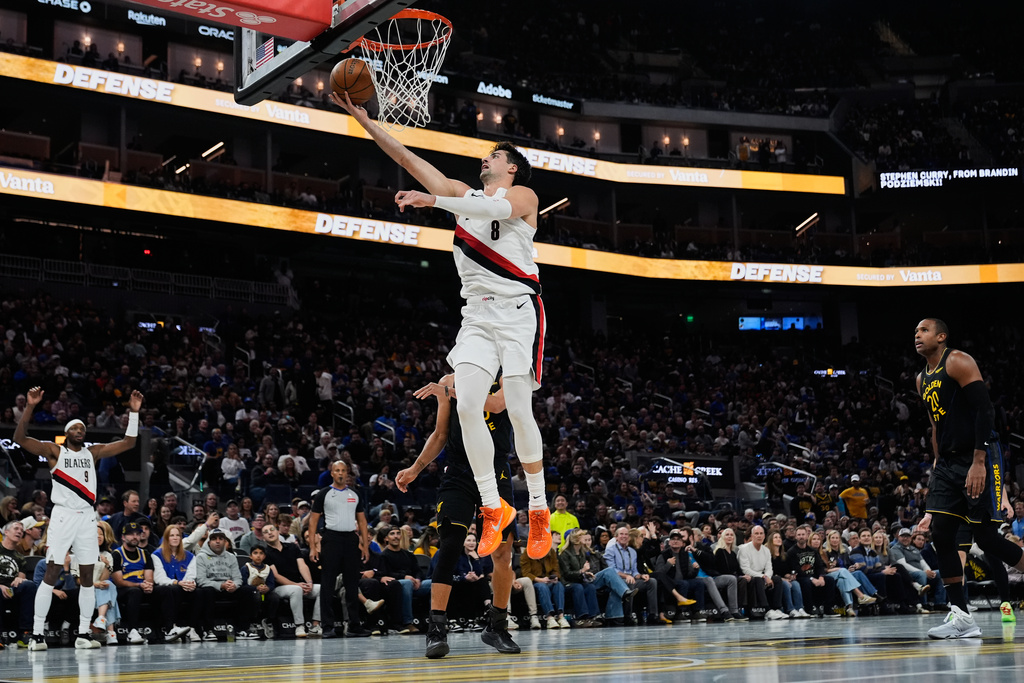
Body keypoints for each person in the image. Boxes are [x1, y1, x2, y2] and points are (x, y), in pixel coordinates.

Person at [334, 91, 550, 562]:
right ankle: (493, 506)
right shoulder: (461, 195)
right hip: (477, 315)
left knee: (518, 409)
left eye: (494, 155)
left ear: (511, 167)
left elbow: (497, 211)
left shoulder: (524, 195)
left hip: (518, 310)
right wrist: (364, 120)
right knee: (467, 405)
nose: (485, 158)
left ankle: (538, 507)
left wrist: (435, 200)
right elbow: (407, 158)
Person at [913, 318, 1024, 638]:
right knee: (941, 534)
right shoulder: (921, 379)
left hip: (979, 453)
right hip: (947, 462)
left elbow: (984, 411)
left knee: (987, 539)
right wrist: (937, 468)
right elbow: (935, 426)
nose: (917, 335)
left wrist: (978, 461)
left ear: (941, 336)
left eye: (924, 330)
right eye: (915, 332)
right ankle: (961, 616)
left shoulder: (958, 361)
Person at [397, 372, 520, 657]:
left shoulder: (505, 376)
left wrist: (449, 392)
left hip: (495, 469)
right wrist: (415, 468)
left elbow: (497, 405)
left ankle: (497, 625)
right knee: (450, 545)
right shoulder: (449, 380)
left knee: (502, 552)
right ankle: (436, 630)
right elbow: (441, 434)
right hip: (459, 471)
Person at [14, 386, 144, 650]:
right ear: (67, 432)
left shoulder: (92, 452)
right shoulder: (55, 451)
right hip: (63, 515)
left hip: (87, 516)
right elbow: (20, 438)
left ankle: (83, 633)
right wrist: (30, 406)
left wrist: (133, 413)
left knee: (86, 574)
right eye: (75, 427)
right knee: (52, 572)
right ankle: (37, 634)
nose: (80, 430)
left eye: (82, 428)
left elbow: (129, 443)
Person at [307, 460, 371, 638]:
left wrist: (365, 546)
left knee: (352, 584)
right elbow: (313, 522)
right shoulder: (324, 494)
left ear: (347, 473)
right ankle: (327, 627)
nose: (341, 473)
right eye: (337, 470)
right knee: (328, 584)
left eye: (343, 470)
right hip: (331, 539)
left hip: (351, 539)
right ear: (332, 473)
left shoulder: (355, 494)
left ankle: (354, 625)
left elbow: (362, 522)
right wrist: (313, 547)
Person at [195, 528, 255, 640]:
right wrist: (221, 585)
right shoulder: (201, 557)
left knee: (248, 590)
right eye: (214, 539)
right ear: (209, 542)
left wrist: (234, 585)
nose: (218, 541)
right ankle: (208, 630)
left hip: (229, 589)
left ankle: (242, 629)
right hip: (212, 589)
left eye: (221, 539)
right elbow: (201, 580)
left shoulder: (231, 557)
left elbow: (238, 578)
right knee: (205, 591)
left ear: (225, 541)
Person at [263, 523, 321, 637]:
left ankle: (315, 625)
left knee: (322, 589)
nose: (269, 533)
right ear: (263, 538)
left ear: (277, 532)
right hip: (278, 588)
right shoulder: (266, 553)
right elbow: (276, 576)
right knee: (296, 590)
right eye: (265, 532)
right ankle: (299, 625)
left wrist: (309, 583)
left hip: (299, 584)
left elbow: (302, 566)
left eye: (272, 529)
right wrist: (297, 585)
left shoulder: (293, 547)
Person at [604, 526, 659, 625]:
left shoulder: (632, 551)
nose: (624, 536)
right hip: (616, 580)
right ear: (616, 537)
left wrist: (641, 576)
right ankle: (628, 616)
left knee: (652, 582)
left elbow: (634, 571)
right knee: (630, 583)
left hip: (632, 579)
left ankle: (652, 615)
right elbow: (611, 570)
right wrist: (626, 576)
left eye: (626, 534)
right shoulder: (610, 550)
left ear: (629, 537)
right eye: (621, 534)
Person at [150, 526, 196, 642]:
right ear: (166, 538)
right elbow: (159, 578)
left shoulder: (190, 556)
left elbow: (191, 574)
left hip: (182, 587)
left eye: (177, 535)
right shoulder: (157, 555)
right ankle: (170, 628)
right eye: (172, 535)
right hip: (163, 588)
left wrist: (189, 583)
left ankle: (193, 628)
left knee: (199, 592)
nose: (175, 538)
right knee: (171, 589)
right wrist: (177, 582)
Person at [1, 520, 39, 647]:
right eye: (16, 529)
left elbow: (21, 577)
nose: (19, 532)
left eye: (21, 531)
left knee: (29, 585)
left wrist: (20, 579)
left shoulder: (20, 557)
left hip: (11, 589)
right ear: (6, 532)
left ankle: (25, 633)